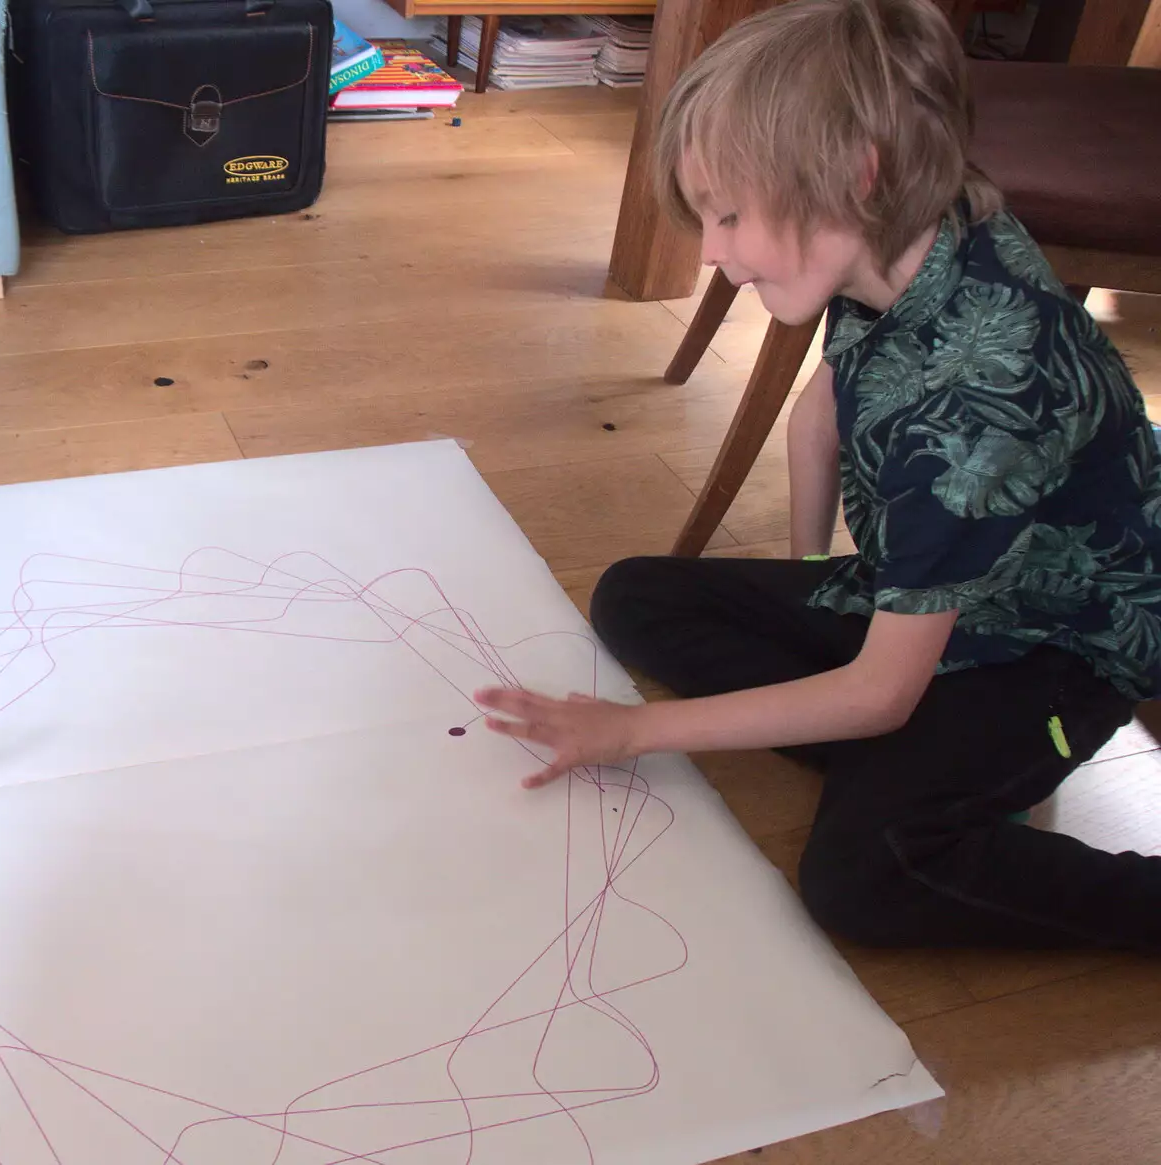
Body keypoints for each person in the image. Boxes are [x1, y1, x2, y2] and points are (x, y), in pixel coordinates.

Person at [475, 0, 1161, 952]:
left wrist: (626, 735)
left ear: (854, 175)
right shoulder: (903, 233)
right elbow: (819, 414)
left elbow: (880, 695)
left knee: (862, 876)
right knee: (637, 596)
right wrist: (819, 579)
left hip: (1050, 659)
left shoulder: (977, 403)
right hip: (936, 606)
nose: (713, 253)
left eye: (729, 216)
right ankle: (896, 739)